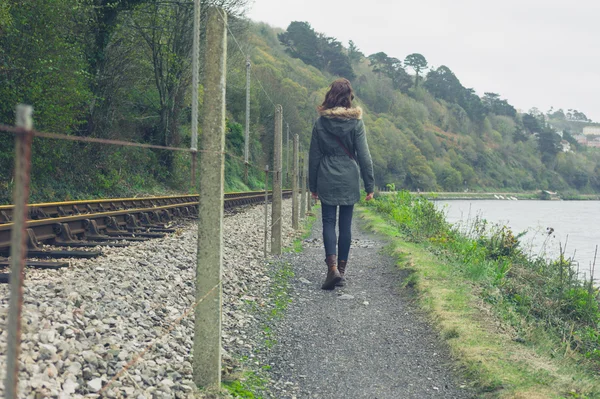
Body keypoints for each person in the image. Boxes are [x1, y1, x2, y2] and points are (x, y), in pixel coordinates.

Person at [308, 78, 375, 290]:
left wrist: (313, 186)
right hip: (349, 176)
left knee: (328, 222)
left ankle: (332, 269)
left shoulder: (320, 123)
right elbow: (364, 156)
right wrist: (370, 185)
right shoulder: (356, 123)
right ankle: (342, 273)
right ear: (349, 98)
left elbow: (314, 157)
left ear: (330, 96)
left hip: (326, 175)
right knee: (345, 226)